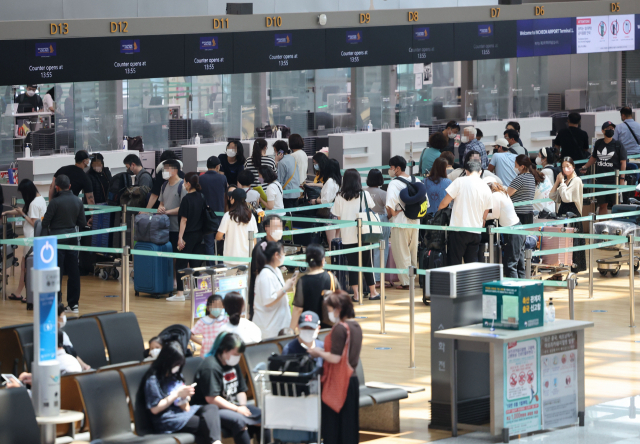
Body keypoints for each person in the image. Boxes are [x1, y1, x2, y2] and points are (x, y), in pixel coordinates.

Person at [308, 291, 362, 444]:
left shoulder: (340, 328)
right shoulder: (356, 326)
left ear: (338, 309)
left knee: (333, 427)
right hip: (352, 380)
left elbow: (336, 358)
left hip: (339, 382)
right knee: (349, 426)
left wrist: (318, 352)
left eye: (331, 309)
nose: (329, 313)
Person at [144, 341, 222, 444]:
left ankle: (216, 442)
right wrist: (176, 394)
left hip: (182, 413)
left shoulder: (175, 375)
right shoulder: (153, 379)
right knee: (207, 426)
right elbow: (155, 409)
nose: (177, 367)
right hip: (167, 419)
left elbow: (186, 408)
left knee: (211, 408)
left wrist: (185, 397)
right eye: (176, 364)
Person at [192, 333, 261, 444]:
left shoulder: (232, 363)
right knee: (239, 421)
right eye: (235, 354)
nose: (237, 357)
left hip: (233, 405)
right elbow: (212, 398)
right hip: (213, 409)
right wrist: (237, 410)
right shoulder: (210, 367)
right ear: (224, 350)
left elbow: (241, 390)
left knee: (262, 416)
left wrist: (242, 406)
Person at [332, 169, 379, 302]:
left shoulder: (339, 196)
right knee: (367, 263)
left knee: (352, 265)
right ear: (358, 180)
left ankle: (356, 294)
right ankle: (373, 292)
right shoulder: (364, 194)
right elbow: (371, 210)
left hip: (347, 235)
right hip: (363, 234)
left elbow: (338, 216)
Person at [42, 175, 86, 313]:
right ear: (70, 186)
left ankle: (57, 303)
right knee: (74, 271)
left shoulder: (55, 202)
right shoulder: (77, 201)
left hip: (56, 238)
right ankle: (74, 304)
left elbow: (45, 223)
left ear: (57, 187)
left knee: (57, 272)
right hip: (72, 237)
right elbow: (82, 223)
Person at [438, 161, 492, 266]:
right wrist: (483, 219)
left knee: (454, 262)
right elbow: (487, 209)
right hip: (476, 230)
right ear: (480, 172)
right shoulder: (485, 186)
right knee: (472, 263)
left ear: (466, 171)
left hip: (459, 228)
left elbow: (444, 203)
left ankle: (454, 283)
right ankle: (471, 283)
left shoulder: (459, 181)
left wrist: (438, 210)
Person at [3, 179, 46, 303]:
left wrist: (22, 214)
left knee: (28, 268)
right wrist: (7, 212)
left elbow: (33, 222)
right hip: (34, 239)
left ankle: (30, 294)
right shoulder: (40, 199)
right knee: (24, 267)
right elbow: (24, 211)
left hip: (32, 240)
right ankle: (18, 292)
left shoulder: (33, 204)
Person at [386, 156, 425, 289]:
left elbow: (390, 203)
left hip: (400, 222)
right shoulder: (417, 180)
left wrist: (392, 214)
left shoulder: (394, 183)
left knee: (401, 252)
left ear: (397, 168)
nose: (390, 170)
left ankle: (406, 282)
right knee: (413, 251)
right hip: (415, 221)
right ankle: (413, 278)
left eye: (391, 167)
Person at [167, 172, 206, 302]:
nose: (183, 184)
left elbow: (183, 220)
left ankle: (180, 293)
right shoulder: (201, 197)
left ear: (189, 184)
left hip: (188, 235)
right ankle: (194, 291)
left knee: (181, 264)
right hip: (199, 235)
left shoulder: (186, 199)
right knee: (195, 264)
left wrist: (180, 237)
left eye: (184, 182)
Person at [252, 242, 298, 338]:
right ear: (276, 255)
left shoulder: (276, 270)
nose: (284, 255)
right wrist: (286, 288)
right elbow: (268, 300)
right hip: (269, 329)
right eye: (283, 252)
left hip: (277, 325)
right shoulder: (265, 274)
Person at [581, 121, 627, 215]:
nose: (610, 130)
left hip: (614, 180)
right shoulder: (598, 143)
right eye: (608, 128)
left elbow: (623, 163)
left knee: (616, 205)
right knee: (602, 205)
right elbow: (593, 158)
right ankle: (603, 227)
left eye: (612, 129)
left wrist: (622, 178)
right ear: (603, 131)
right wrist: (585, 166)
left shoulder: (618, 145)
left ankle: (616, 227)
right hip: (601, 181)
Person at [292, 244, 338, 330]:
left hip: (309, 326)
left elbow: (298, 309)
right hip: (328, 327)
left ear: (307, 261)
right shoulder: (331, 277)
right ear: (323, 260)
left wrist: (290, 330)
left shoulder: (302, 281)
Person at [158, 159, 188, 292]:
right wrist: (160, 208)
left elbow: (184, 208)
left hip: (178, 227)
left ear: (175, 170)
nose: (164, 172)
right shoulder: (164, 186)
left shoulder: (182, 185)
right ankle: (172, 280)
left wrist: (168, 212)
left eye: (167, 169)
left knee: (179, 257)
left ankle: (181, 281)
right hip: (165, 227)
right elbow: (162, 203)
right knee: (169, 256)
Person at [485, 180, 525, 278]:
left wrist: (483, 216)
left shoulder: (495, 196)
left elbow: (495, 214)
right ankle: (524, 290)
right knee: (520, 265)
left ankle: (514, 291)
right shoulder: (503, 193)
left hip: (511, 231)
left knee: (510, 265)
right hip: (518, 227)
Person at [217, 188, 258, 268]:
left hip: (230, 259)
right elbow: (254, 238)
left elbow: (218, 236)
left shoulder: (228, 215)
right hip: (247, 258)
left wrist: (222, 237)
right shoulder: (251, 216)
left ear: (233, 199)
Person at [365, 169, 390, 288]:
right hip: (381, 220)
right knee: (381, 250)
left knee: (368, 249)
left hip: (366, 221)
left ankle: (368, 279)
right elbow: (389, 210)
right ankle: (378, 279)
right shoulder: (383, 193)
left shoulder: (363, 192)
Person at [200, 156, 228, 258]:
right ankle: (220, 264)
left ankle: (211, 265)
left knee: (209, 243)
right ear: (217, 166)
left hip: (206, 215)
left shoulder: (200, 178)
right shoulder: (222, 178)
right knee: (221, 241)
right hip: (220, 214)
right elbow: (225, 195)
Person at [507, 155, 544, 225]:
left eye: (516, 165)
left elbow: (507, 194)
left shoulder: (520, 178)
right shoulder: (531, 177)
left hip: (518, 214)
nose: (515, 168)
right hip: (528, 213)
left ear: (522, 166)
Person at [273, 140, 300, 209]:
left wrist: (276, 161)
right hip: (296, 192)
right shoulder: (292, 158)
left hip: (287, 194)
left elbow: (279, 180)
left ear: (279, 152)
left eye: (275, 150)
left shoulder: (282, 162)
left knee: (288, 216)